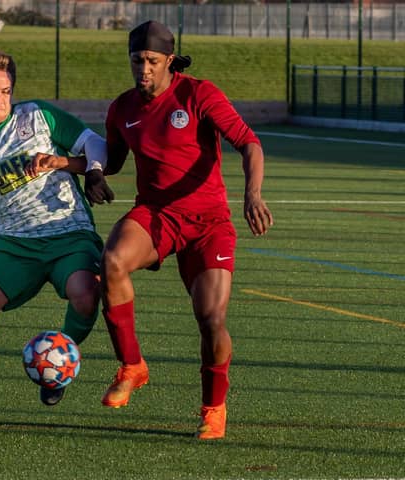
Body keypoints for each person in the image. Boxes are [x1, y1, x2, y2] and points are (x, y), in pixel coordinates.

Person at [85, 20, 273, 440]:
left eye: (152, 61)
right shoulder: (122, 108)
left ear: (169, 60)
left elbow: (249, 143)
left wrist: (253, 195)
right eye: (137, 61)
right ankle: (133, 366)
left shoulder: (197, 93)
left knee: (210, 318)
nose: (144, 70)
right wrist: (76, 167)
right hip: (156, 214)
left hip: (209, 223)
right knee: (112, 261)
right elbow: (112, 162)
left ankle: (214, 409)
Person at [0, 50, 108, 437]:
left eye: (4, 91)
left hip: (69, 232)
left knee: (86, 293)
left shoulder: (38, 116)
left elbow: (94, 143)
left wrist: (94, 173)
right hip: (14, 243)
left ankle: (57, 370)